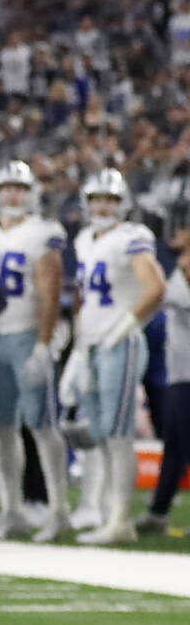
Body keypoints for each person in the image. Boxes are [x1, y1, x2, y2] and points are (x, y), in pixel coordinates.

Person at [0, 161, 68, 541]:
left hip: (25, 334)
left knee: (41, 424)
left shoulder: (43, 233)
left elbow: (50, 290)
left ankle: (59, 509)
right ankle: (12, 508)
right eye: (7, 187)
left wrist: (44, 342)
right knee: (0, 427)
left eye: (19, 188)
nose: (12, 195)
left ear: (31, 193)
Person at [66, 169, 166, 546]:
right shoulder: (85, 240)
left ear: (122, 204)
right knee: (103, 433)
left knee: (119, 432)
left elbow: (154, 287)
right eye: (97, 199)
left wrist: (124, 327)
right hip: (92, 344)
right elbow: (83, 298)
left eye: (109, 199)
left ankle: (121, 518)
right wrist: (78, 349)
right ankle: (110, 513)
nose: (103, 206)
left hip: (119, 343)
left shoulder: (131, 237)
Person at [140, 226, 190, 534]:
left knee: (177, 444)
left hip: (185, 372)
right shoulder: (177, 268)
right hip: (179, 371)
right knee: (175, 444)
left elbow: (172, 300)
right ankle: (158, 511)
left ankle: (159, 510)